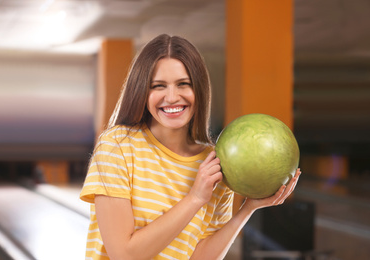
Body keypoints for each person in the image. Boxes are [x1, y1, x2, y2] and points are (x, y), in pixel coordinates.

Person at [80, 34, 301, 260]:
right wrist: (195, 198)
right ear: (142, 92)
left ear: (199, 90)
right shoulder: (117, 146)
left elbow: (200, 257)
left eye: (183, 84)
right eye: (158, 86)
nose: (172, 97)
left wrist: (247, 209)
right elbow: (124, 255)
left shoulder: (214, 164)